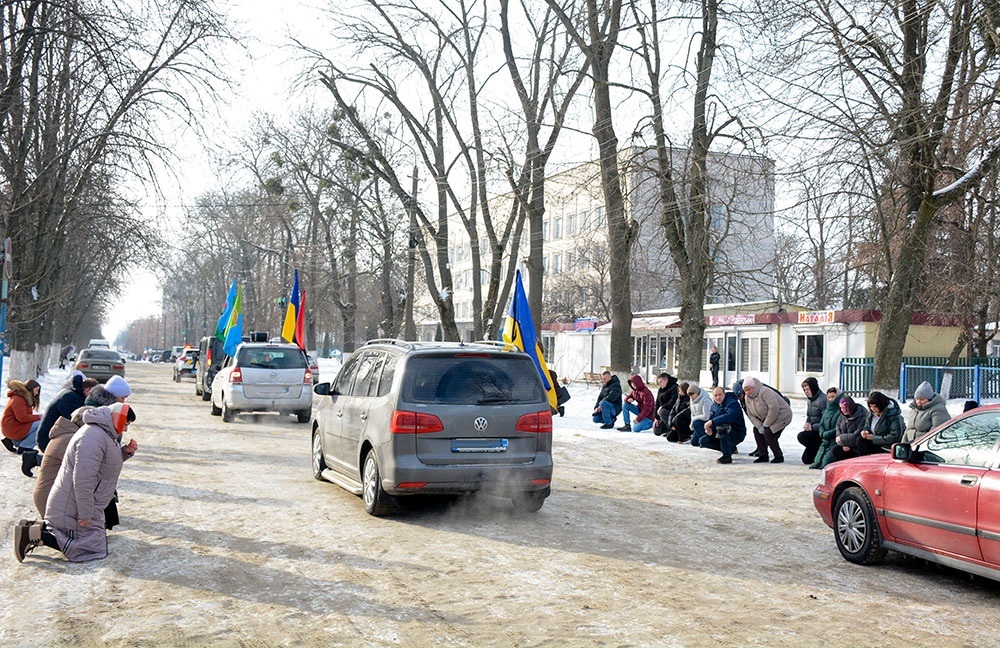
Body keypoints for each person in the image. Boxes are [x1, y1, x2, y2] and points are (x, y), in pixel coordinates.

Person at [14, 403, 139, 563]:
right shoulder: (93, 437)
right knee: (90, 547)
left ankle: (34, 528)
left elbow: (103, 464)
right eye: (126, 424)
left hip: (76, 500)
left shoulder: (103, 434)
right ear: (118, 417)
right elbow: (83, 479)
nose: (126, 429)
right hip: (72, 502)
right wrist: (85, 513)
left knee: (93, 544)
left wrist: (124, 453)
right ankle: (33, 535)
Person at [33, 387, 119, 518]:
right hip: (52, 501)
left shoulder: (68, 435)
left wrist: (123, 453)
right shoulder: (70, 440)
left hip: (54, 496)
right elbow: (86, 473)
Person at [36, 373, 98, 453]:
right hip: (47, 440)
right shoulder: (71, 398)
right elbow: (75, 421)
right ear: (88, 390)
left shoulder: (72, 394)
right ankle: (35, 459)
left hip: (51, 436)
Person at [742, 376, 792, 463]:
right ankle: (763, 455)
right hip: (766, 418)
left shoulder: (764, 391)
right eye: (745, 390)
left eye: (749, 389)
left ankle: (778, 456)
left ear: (754, 387)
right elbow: (750, 414)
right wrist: (759, 425)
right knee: (757, 430)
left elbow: (774, 408)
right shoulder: (747, 398)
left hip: (782, 416)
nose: (747, 392)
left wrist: (766, 424)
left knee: (769, 432)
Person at [1, 379, 43, 476]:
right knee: (40, 424)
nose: (37, 394)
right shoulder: (18, 399)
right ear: (30, 389)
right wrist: (40, 417)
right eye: (36, 391)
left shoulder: (23, 398)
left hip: (14, 426)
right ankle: (25, 446)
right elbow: (22, 418)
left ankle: (13, 442)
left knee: (38, 424)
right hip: (11, 427)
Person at [702, 386, 747, 464]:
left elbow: (730, 417)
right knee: (703, 441)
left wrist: (712, 422)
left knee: (722, 428)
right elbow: (711, 418)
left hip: (736, 432)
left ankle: (727, 456)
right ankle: (730, 448)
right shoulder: (714, 406)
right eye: (715, 395)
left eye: (720, 395)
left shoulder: (732, 403)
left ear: (724, 394)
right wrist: (710, 429)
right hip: (722, 433)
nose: (718, 397)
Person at [824, 395, 868, 465]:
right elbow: (838, 431)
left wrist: (843, 440)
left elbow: (857, 434)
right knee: (835, 450)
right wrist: (843, 444)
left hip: (856, 446)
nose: (843, 410)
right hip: (844, 445)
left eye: (845, 408)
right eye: (841, 408)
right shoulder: (841, 417)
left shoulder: (862, 416)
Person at [809, 387, 843, 469]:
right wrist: (822, 432)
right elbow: (822, 424)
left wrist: (826, 434)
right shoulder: (827, 410)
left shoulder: (841, 411)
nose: (831, 399)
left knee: (826, 463)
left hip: (834, 441)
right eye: (829, 397)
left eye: (833, 397)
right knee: (817, 461)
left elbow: (838, 428)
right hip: (825, 441)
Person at [796, 377, 826, 464]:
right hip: (812, 430)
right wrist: (807, 424)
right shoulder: (810, 401)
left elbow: (826, 421)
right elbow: (809, 416)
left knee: (802, 436)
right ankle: (817, 451)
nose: (806, 392)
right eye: (804, 390)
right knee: (806, 460)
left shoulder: (822, 400)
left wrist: (812, 427)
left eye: (808, 389)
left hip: (820, 432)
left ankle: (821, 449)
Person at [687, 383, 713, 447]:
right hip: (698, 422)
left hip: (707, 422)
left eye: (692, 394)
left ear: (697, 393)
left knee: (696, 422)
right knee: (693, 442)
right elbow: (692, 413)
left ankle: (707, 441)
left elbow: (707, 416)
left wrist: (694, 419)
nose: (690, 396)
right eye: (689, 395)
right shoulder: (692, 400)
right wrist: (691, 423)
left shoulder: (705, 400)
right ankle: (702, 440)